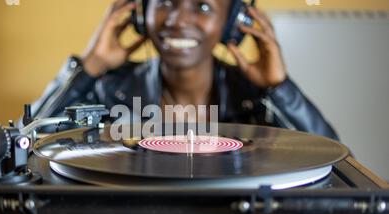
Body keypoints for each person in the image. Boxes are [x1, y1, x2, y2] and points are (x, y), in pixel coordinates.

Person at [28, 0, 338, 140]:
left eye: (202, 6)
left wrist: (278, 88)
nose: (177, 19)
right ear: (140, 16)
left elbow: (338, 161)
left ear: (231, 24)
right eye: (164, 2)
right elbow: (25, 146)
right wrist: (89, 67)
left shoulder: (254, 98)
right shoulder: (110, 89)